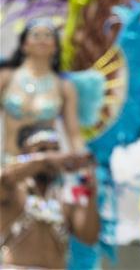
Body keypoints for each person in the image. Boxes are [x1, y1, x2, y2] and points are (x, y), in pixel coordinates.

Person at [0, 124, 99, 268]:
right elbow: (6, 177)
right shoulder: (12, 190)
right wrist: (44, 161)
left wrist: (90, 194)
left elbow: (89, 237)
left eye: (55, 150)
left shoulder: (64, 197)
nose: (53, 156)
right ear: (24, 154)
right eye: (42, 149)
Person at [0, 19, 83, 159]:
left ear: (55, 47)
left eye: (48, 35)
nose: (42, 40)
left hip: (45, 173)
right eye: (36, 35)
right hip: (9, 168)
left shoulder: (64, 86)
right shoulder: (6, 78)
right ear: (24, 45)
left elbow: (74, 134)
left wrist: (85, 164)